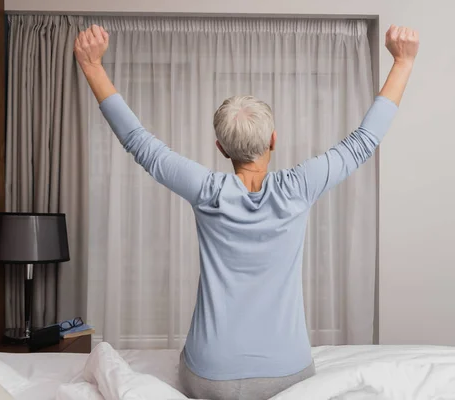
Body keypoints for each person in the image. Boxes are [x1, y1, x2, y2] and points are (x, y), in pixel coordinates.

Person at [74, 23, 419, 400]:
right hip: (286, 377)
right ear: (273, 140)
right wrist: (403, 61)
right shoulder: (298, 187)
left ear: (221, 148)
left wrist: (93, 66)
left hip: (208, 378)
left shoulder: (207, 190)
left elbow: (139, 142)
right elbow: (363, 143)